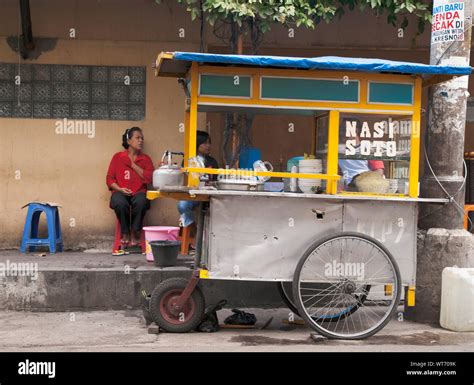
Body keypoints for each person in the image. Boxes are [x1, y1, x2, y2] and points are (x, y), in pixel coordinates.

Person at [106, 127, 154, 254]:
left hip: (138, 193)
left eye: (142, 138)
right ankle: (125, 233)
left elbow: (149, 179)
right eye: (137, 138)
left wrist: (132, 164)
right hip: (121, 192)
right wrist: (120, 189)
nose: (141, 141)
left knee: (142, 201)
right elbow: (110, 180)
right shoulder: (118, 157)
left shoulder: (146, 159)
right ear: (129, 141)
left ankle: (135, 232)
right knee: (119, 202)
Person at [177, 130, 218, 239]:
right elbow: (184, 180)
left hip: (209, 194)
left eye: (209, 143)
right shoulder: (187, 160)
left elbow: (216, 180)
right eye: (204, 143)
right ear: (196, 144)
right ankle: (195, 233)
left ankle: (208, 238)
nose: (208, 146)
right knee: (183, 205)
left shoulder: (212, 161)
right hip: (193, 193)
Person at [338, 119, 385, 191]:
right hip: (345, 188)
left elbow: (379, 171)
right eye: (341, 129)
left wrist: (367, 184)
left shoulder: (368, 148)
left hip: (364, 187)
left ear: (356, 131)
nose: (341, 132)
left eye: (345, 129)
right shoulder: (337, 149)